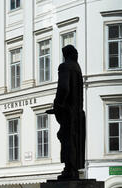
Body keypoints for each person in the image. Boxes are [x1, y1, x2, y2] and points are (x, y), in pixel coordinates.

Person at [46, 44, 85, 180]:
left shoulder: (65, 67)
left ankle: (69, 169)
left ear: (65, 55)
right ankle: (73, 169)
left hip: (68, 112)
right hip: (78, 112)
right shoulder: (78, 68)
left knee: (67, 139)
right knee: (75, 140)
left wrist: (57, 105)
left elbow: (64, 88)